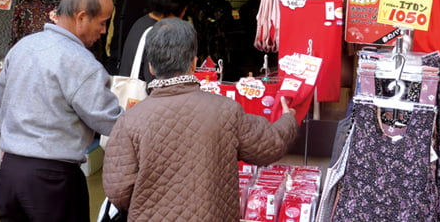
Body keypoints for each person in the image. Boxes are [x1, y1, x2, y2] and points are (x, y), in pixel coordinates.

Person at [103, 18, 299, 222]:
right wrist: (288, 119)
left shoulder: (130, 120)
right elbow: (270, 144)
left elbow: (118, 191)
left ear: (151, 67)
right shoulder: (225, 110)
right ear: (194, 63)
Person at [0, 0, 124, 222]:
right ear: (82, 17)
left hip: (9, 172)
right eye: (103, 23)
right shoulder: (81, 62)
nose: (104, 31)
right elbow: (109, 121)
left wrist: (11, 144)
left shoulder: (23, 48)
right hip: (52, 179)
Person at [118, 0, 192, 82]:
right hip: (144, 97)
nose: (184, 14)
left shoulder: (141, 22)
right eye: (185, 10)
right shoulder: (160, 33)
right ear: (175, 8)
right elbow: (155, 79)